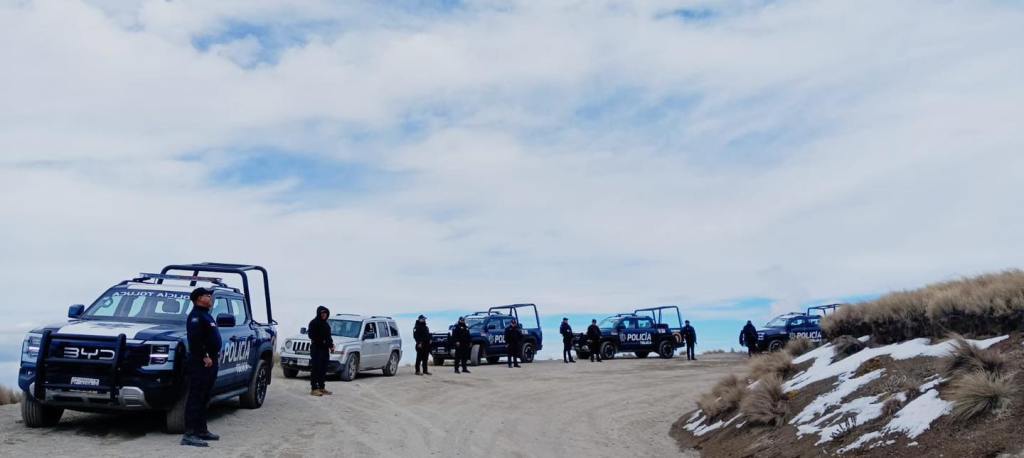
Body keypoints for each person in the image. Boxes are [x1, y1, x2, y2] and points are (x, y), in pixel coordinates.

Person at [181, 287, 223, 447]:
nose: (210, 298)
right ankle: (189, 434)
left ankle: (201, 430)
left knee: (205, 396)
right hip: (201, 362)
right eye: (207, 295)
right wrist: (204, 356)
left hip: (212, 360)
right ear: (199, 298)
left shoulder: (206, 314)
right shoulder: (196, 317)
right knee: (196, 397)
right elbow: (195, 340)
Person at [307, 306, 335, 396]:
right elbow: (311, 335)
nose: (324, 315)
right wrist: (322, 341)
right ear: (319, 313)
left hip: (324, 349)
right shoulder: (313, 323)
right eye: (322, 313)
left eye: (325, 313)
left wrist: (331, 346)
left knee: (323, 369)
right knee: (316, 368)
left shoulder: (326, 325)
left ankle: (321, 387)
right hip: (316, 348)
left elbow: (328, 337)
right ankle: (314, 388)